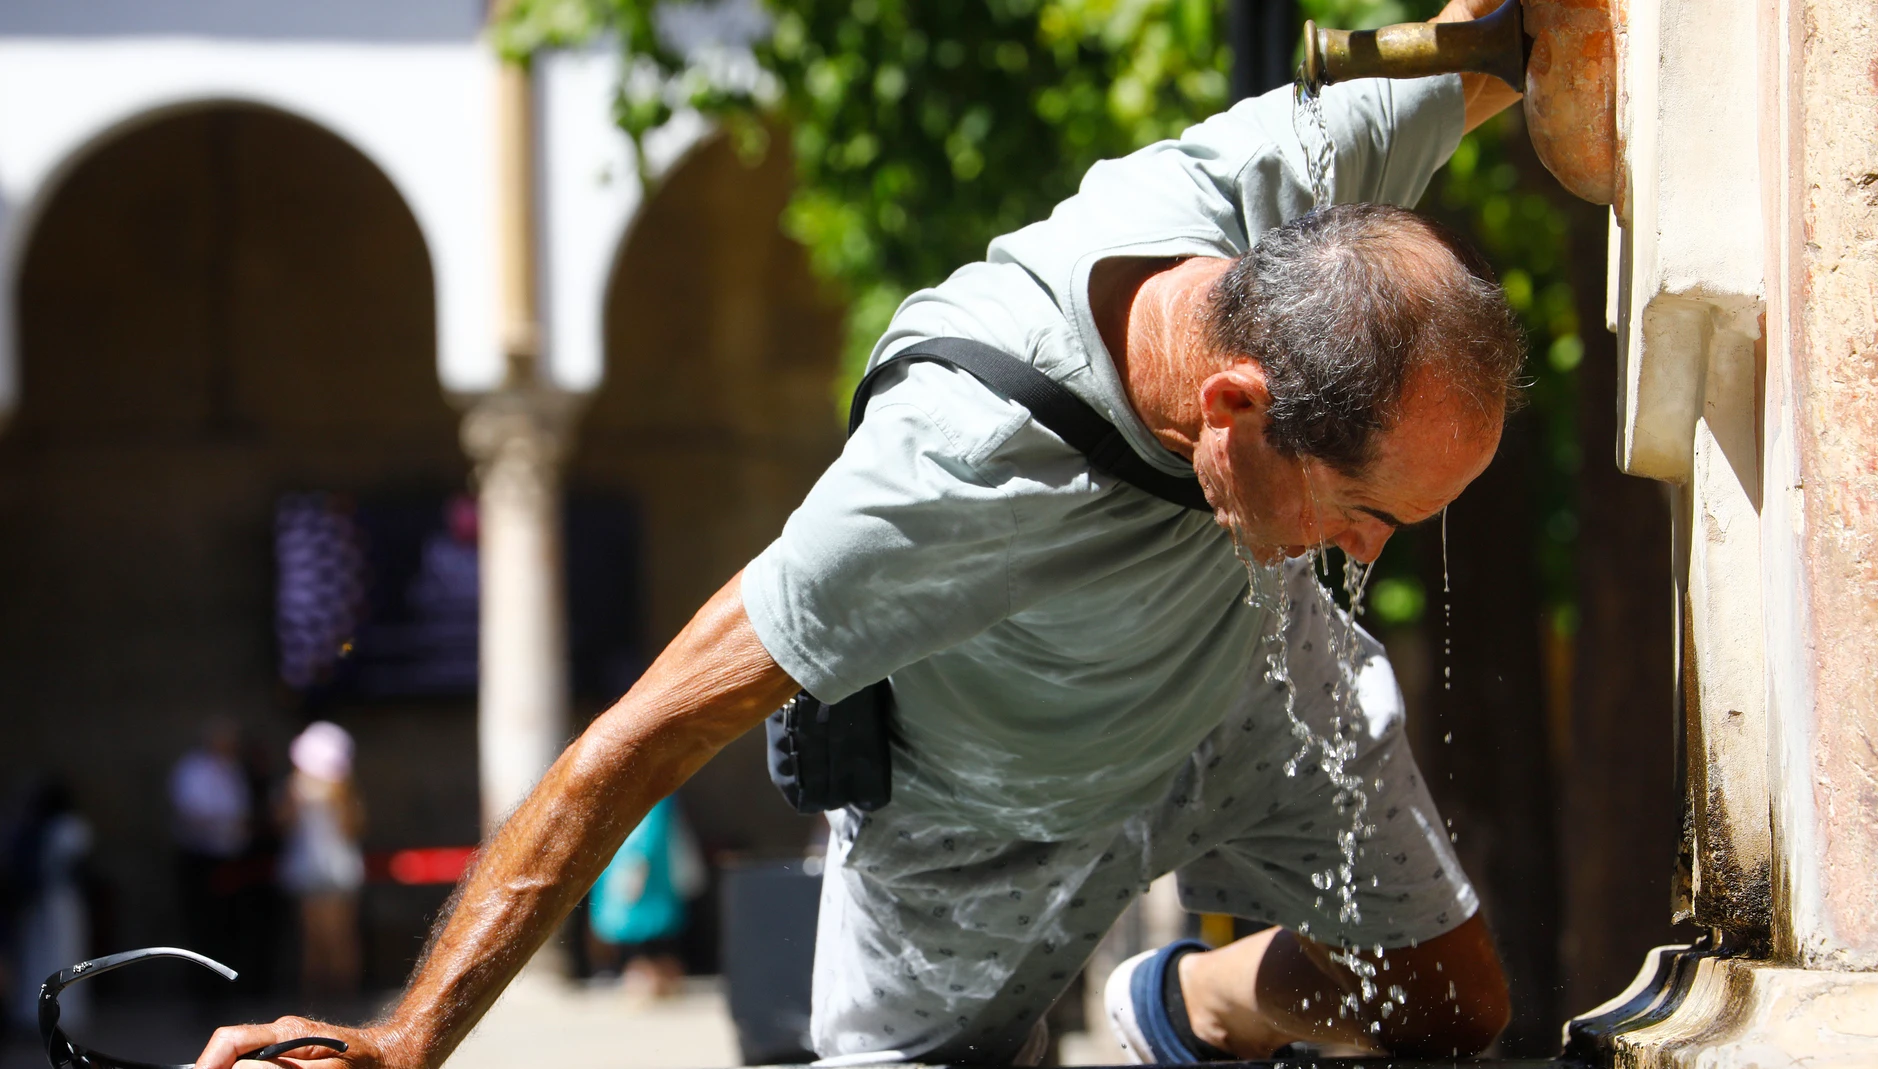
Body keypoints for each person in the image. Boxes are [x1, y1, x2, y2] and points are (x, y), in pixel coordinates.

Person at [198, 1, 1528, 1064]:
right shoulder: (940, 477)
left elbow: (1494, 44)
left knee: (1452, 1011)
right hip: (985, 824)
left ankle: (1188, 1006)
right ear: (1233, 408)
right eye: (1362, 516)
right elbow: (634, 739)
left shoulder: (1297, 178)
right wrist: (405, 1038)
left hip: (1248, 696)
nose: (1370, 556)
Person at [583, 795, 705, 1000]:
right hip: (624, 867)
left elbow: (651, 828)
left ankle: (657, 978)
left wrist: (638, 861)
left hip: (642, 869)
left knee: (650, 930)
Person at [278, 722, 366, 1000]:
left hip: (338, 869)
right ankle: (317, 998)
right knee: (314, 938)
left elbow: (353, 828)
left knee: (340, 936)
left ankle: (345, 995)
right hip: (309, 869)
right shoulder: (295, 789)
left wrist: (340, 797)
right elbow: (282, 823)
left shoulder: (343, 792)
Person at [169, 720, 253, 987]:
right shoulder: (193, 770)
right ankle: (203, 987)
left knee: (228, 924)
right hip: (200, 857)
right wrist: (224, 823)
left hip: (229, 858)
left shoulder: (232, 769)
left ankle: (224, 987)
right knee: (202, 925)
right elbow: (191, 813)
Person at [6, 780, 92, 1031]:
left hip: (59, 900)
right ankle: (40, 1013)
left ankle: (62, 1014)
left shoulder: (67, 828)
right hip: (51, 900)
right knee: (42, 955)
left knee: (62, 956)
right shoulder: (57, 828)